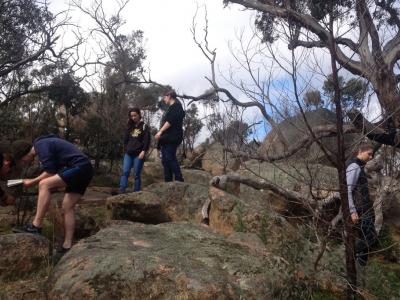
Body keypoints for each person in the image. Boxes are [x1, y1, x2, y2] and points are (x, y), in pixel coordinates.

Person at [11, 134, 93, 255]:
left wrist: (31, 182)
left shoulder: (40, 145)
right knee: (67, 206)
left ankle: (36, 226)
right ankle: (67, 245)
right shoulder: (45, 143)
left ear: (23, 154)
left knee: (44, 184)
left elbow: (50, 172)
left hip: (79, 166)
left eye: (22, 159)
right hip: (85, 169)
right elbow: (54, 169)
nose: (24, 162)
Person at [346, 143, 377, 267]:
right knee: (371, 237)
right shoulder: (354, 166)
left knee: (367, 237)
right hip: (359, 210)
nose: (371, 157)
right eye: (369, 154)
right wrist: (352, 211)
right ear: (360, 151)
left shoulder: (360, 166)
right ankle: (349, 253)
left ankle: (361, 267)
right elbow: (347, 190)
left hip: (363, 209)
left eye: (372, 155)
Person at [155, 90, 185, 182]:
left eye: (165, 97)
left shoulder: (176, 107)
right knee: (165, 160)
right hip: (166, 138)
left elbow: (169, 121)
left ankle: (179, 179)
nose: (164, 99)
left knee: (169, 158)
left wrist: (160, 132)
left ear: (169, 96)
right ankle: (167, 181)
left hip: (172, 137)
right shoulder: (171, 108)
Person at [119, 108, 150, 193]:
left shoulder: (144, 126)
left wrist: (143, 151)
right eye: (131, 116)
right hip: (128, 154)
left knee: (136, 175)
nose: (133, 117)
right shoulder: (129, 126)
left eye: (135, 115)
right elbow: (125, 140)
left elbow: (147, 140)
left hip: (138, 154)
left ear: (139, 115)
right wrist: (125, 150)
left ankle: (136, 193)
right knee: (125, 172)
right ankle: (121, 191)